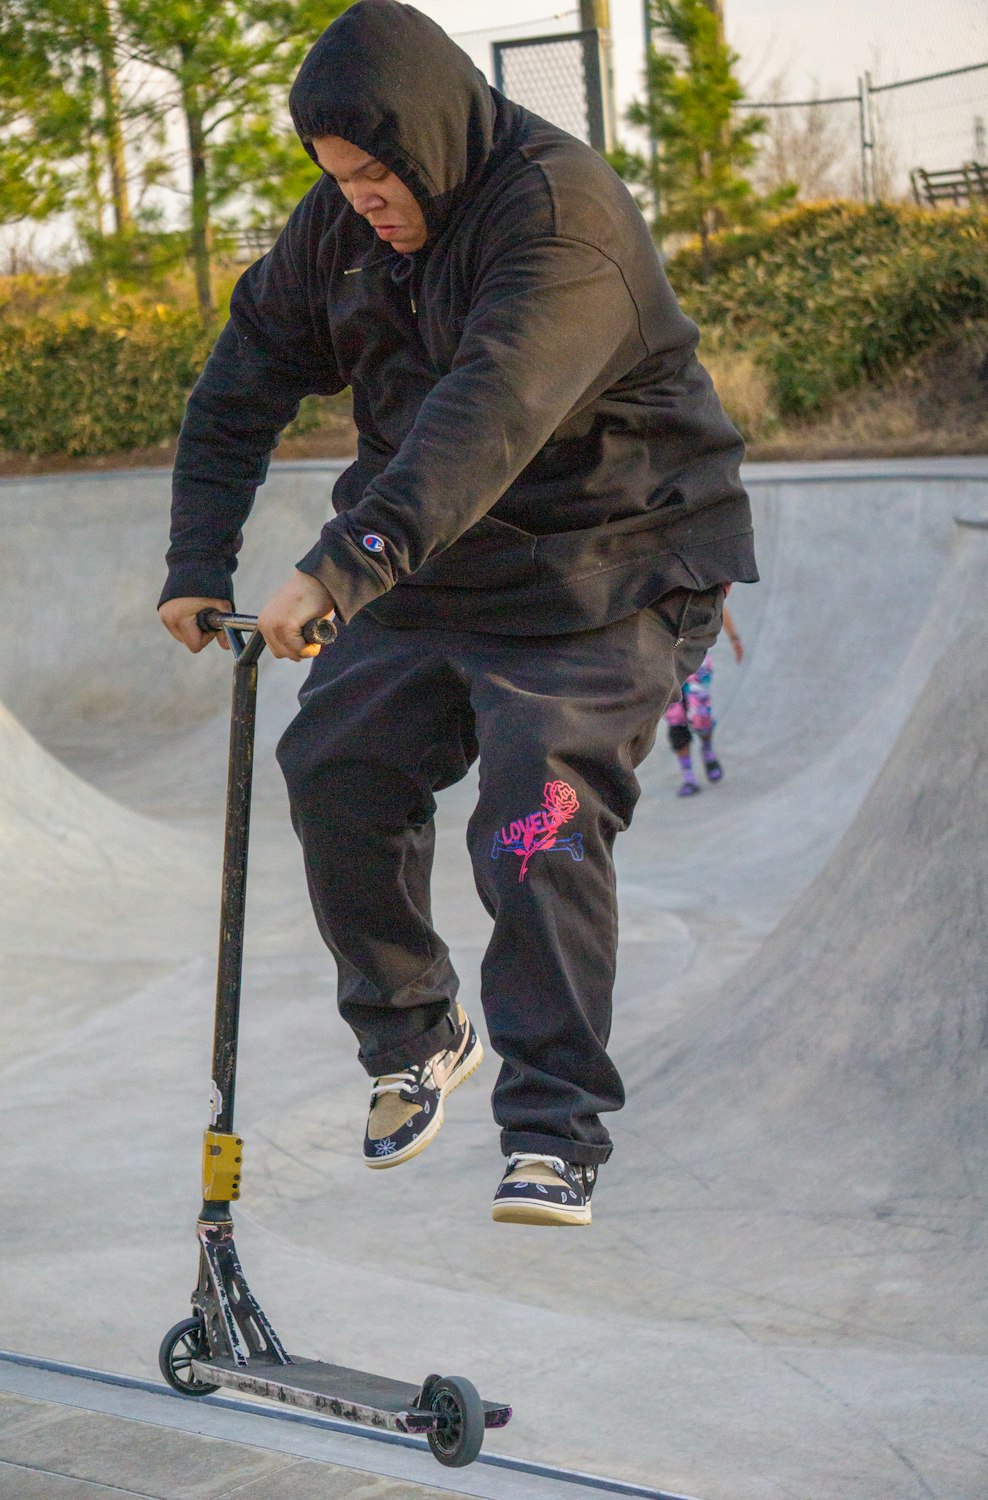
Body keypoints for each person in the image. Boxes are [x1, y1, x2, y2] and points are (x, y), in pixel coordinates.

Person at [158, 0, 758, 1227]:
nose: (362, 198)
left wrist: (337, 567)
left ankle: (553, 1130)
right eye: (338, 178)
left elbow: (482, 413)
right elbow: (239, 381)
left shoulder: (559, 217)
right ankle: (414, 1032)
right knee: (332, 762)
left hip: (611, 572)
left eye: (379, 173)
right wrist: (194, 559)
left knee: (531, 810)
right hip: (441, 575)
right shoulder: (336, 229)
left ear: (432, 137)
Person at [665, 605, 744, 796]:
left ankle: (707, 750)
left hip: (695, 656)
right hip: (666, 660)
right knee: (675, 718)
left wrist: (734, 638)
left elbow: (718, 604)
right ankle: (688, 777)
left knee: (700, 716)